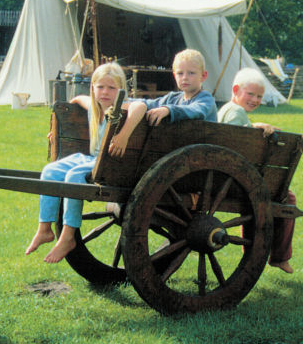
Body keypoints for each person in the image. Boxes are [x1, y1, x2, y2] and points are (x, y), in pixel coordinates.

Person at [26, 62, 146, 263]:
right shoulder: (93, 105)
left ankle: (68, 236)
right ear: (93, 88)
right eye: (100, 87)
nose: (105, 92)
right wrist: (56, 129)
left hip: (111, 163)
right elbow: (77, 99)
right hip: (91, 158)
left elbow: (140, 106)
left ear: (121, 90)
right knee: (50, 171)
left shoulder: (123, 107)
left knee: (73, 177)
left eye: (111, 88)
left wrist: (124, 135)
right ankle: (44, 229)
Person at [217, 68, 296, 274]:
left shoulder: (228, 109)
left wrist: (253, 125)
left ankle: (251, 250)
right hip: (232, 178)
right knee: (287, 198)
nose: (255, 99)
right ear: (236, 90)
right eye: (250, 94)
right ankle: (280, 256)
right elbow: (241, 149)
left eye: (259, 96)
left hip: (223, 175)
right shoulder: (236, 112)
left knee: (257, 199)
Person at [136, 48, 218, 125]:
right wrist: (127, 101)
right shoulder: (172, 98)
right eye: (180, 73)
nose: (185, 77)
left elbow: (194, 110)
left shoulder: (206, 100)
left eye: (191, 73)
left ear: (203, 76)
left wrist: (168, 110)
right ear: (174, 76)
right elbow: (149, 103)